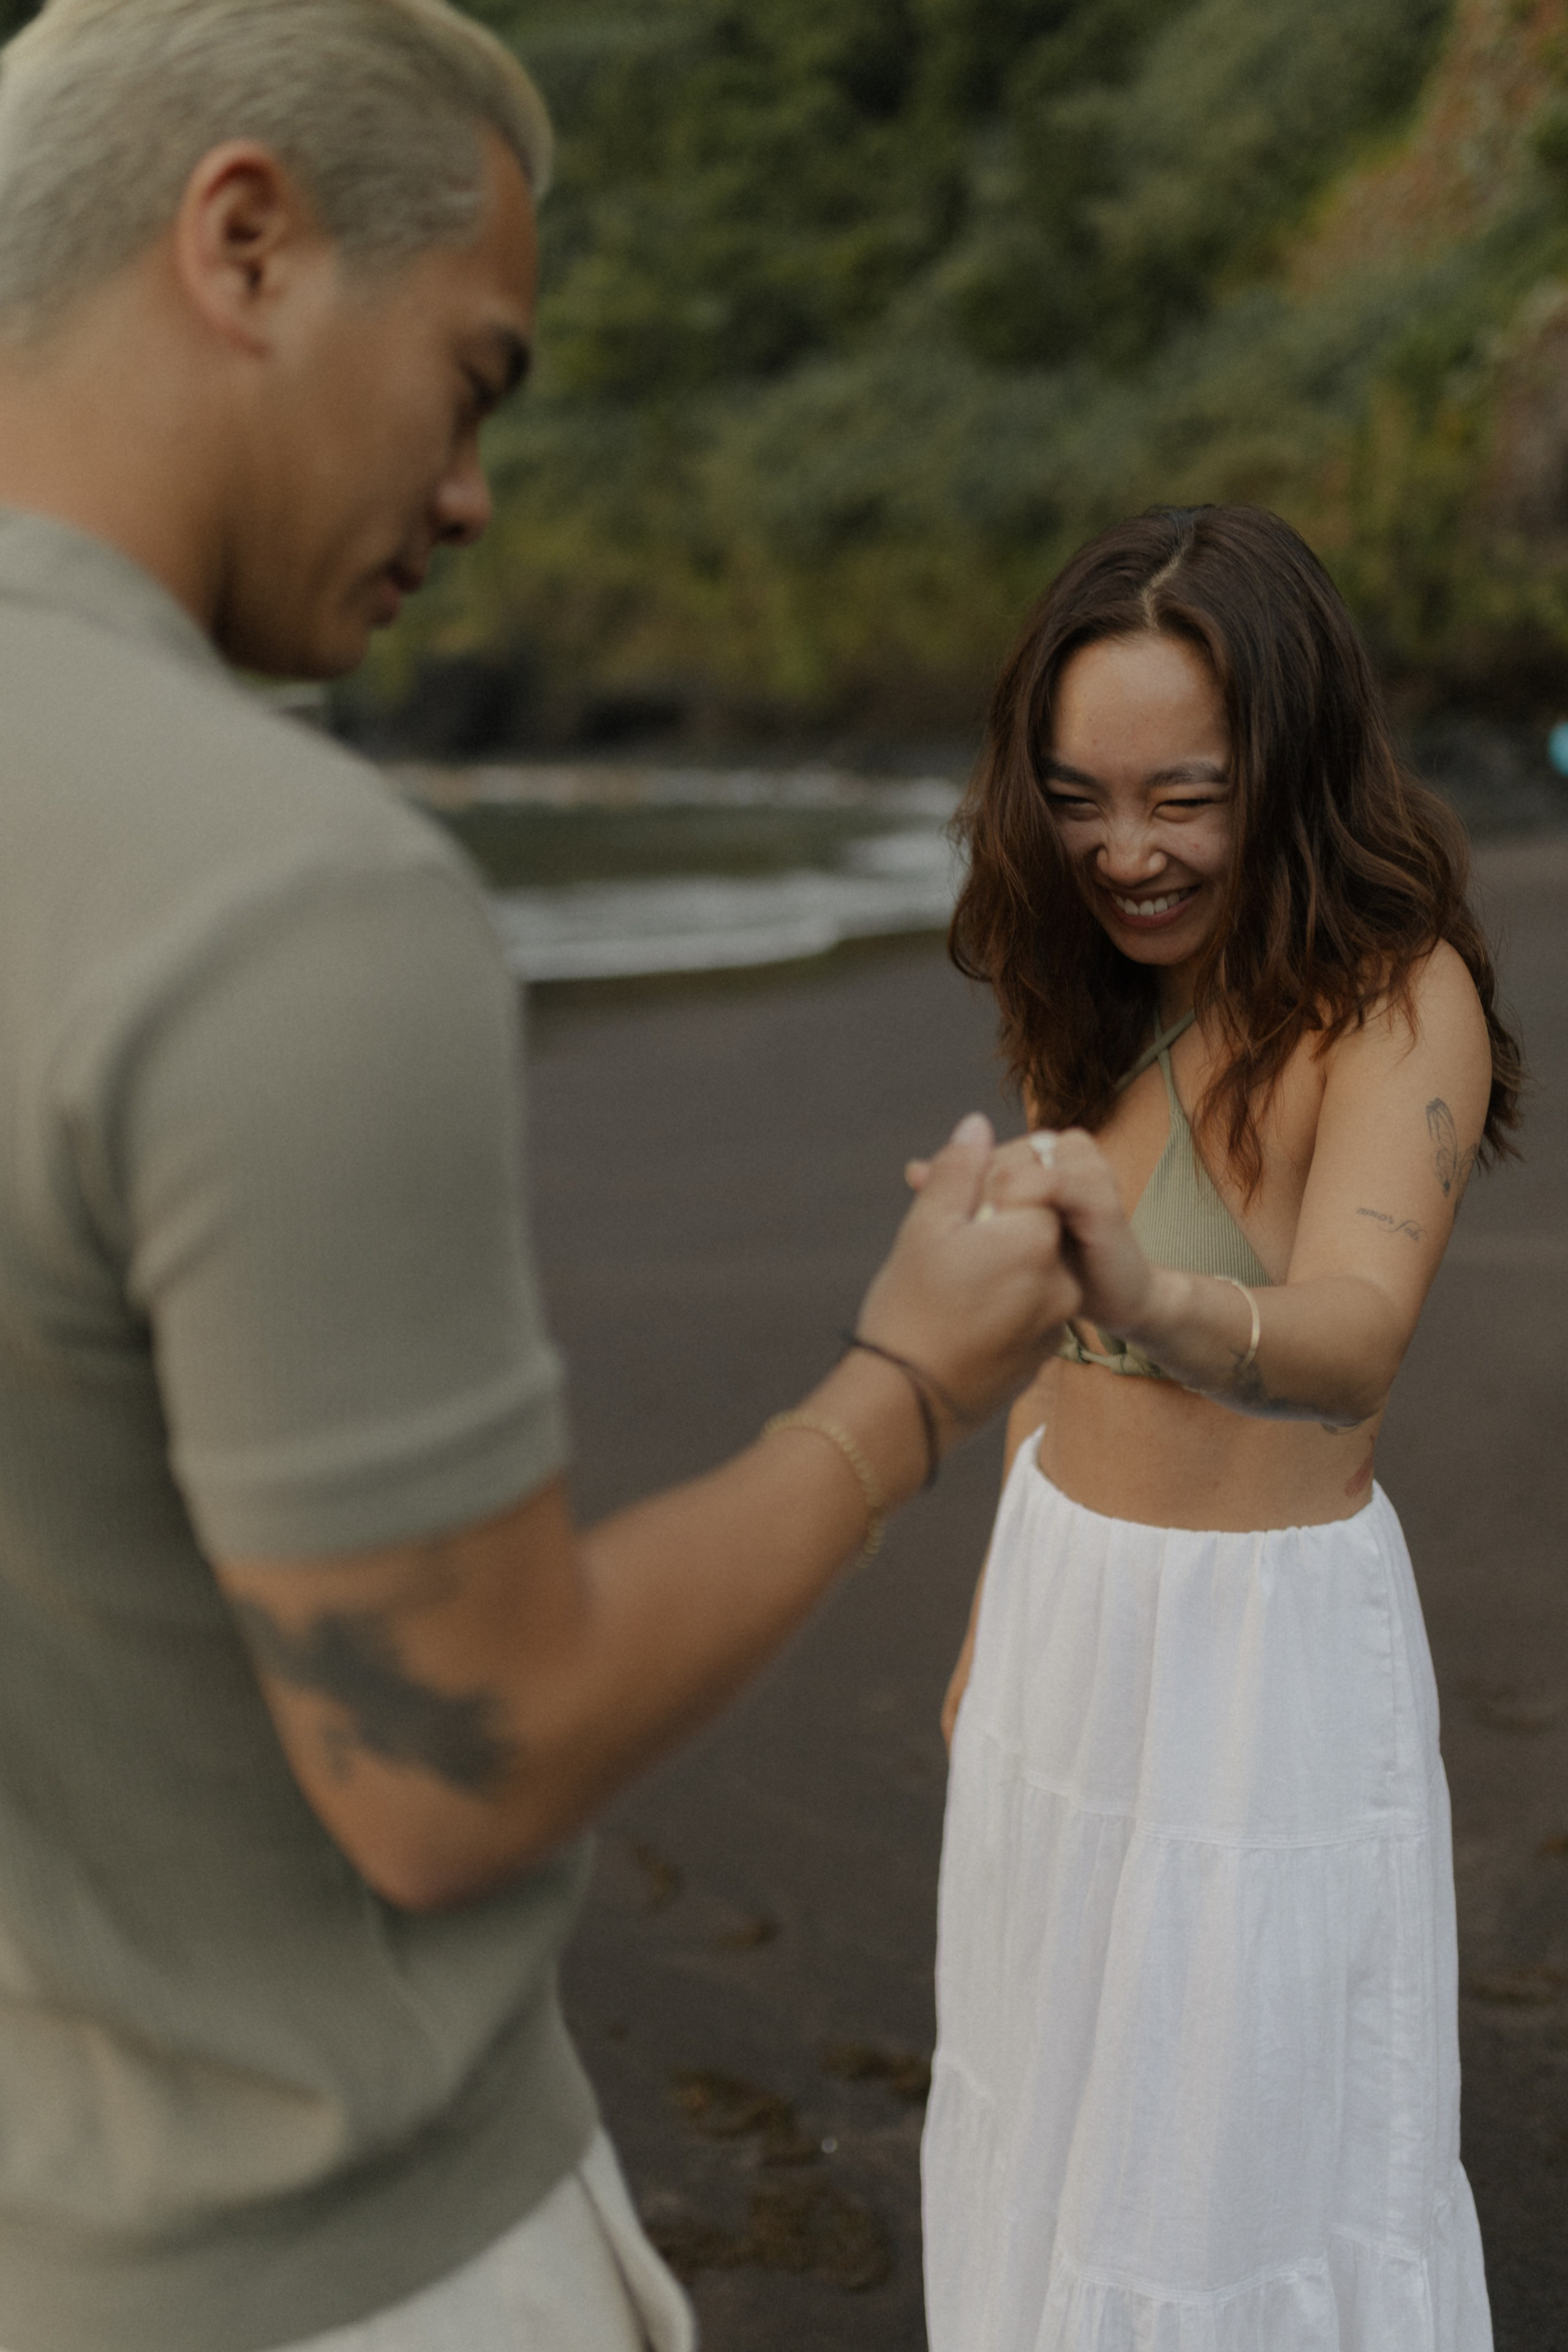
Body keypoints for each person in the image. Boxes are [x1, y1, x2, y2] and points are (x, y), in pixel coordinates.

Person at [0, 6, 1080, 2350]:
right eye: (476, 379)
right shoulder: (274, 891)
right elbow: (448, 1765)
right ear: (248, 244)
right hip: (333, 2269)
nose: (476, 493)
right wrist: (905, 1382)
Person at [920, 505, 1519, 2351]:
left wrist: (1152, 1296)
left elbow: (1349, 1340)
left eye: (1185, 795)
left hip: (1259, 1663)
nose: (1129, 852)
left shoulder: (1395, 998)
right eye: (1080, 796)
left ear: (1297, 762)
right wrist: (981, 1623)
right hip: (1061, 1613)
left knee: (1228, 2182)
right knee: (1042, 2122)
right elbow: (1050, 1364)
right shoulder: (1081, 978)